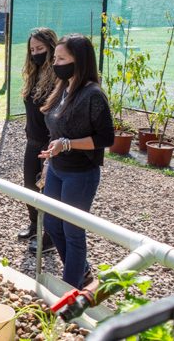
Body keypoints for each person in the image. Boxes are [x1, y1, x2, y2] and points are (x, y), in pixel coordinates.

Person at [38, 34, 114, 289]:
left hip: (80, 174)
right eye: (55, 58)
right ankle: (80, 270)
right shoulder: (64, 88)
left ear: (78, 61)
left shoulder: (93, 95)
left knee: (73, 230)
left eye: (61, 58)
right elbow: (56, 131)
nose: (55, 63)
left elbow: (106, 138)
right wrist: (50, 161)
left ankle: (70, 288)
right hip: (58, 169)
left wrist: (68, 144)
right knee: (51, 224)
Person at [18, 28, 58, 255]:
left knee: (48, 191)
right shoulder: (33, 74)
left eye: (40, 49)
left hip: (49, 142)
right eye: (32, 49)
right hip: (32, 140)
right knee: (29, 187)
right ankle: (35, 225)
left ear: (52, 48)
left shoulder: (58, 78)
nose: (35, 53)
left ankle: (49, 236)